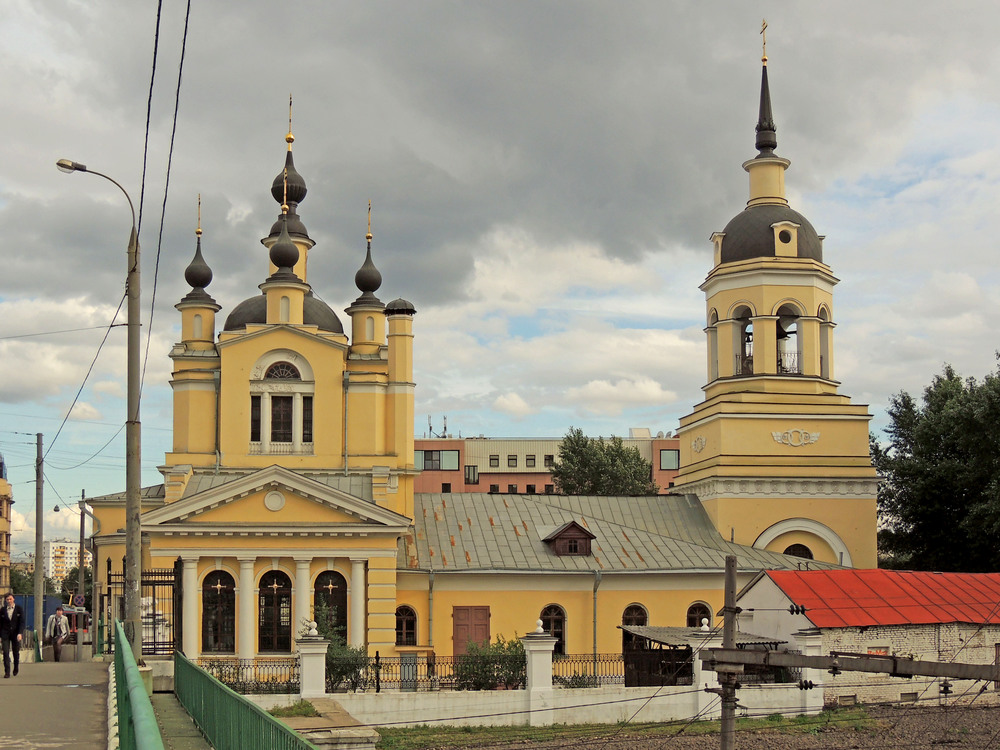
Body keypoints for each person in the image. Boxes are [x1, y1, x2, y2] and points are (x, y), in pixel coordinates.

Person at [0, 593, 25, 677]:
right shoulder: (3, 610)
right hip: (5, 634)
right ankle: (7, 672)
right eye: (7, 599)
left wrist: (20, 633)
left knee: (15, 652)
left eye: (10, 599)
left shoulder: (19, 609)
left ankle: (16, 667)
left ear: (13, 599)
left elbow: (22, 622)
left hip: (15, 634)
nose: (9, 601)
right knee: (6, 652)